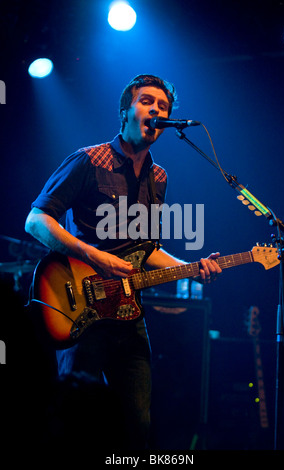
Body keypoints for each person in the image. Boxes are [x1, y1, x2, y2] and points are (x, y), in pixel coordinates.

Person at [25, 74, 222, 449]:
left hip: (130, 317)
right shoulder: (88, 160)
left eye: (163, 106)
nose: (157, 111)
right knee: (75, 420)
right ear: (125, 111)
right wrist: (91, 254)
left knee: (137, 425)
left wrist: (194, 269)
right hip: (80, 307)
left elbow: (145, 251)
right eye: (147, 102)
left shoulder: (158, 178)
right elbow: (36, 220)